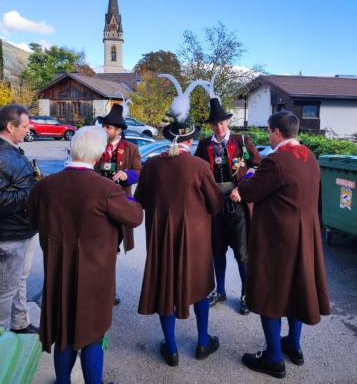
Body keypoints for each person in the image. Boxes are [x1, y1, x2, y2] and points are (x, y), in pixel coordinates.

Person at [29, 126, 143, 384]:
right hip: (94, 277)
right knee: (93, 335)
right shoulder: (106, 189)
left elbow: (34, 221)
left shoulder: (44, 186)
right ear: (100, 153)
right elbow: (135, 217)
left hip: (57, 272)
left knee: (63, 333)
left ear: (73, 149)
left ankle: (63, 382)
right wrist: (134, 201)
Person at [230, 110, 330, 379]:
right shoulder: (310, 158)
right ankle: (294, 346)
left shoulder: (276, 161)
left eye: (268, 131)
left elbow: (249, 191)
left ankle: (274, 358)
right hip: (304, 238)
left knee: (270, 294)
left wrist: (246, 171)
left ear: (276, 132)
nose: (267, 135)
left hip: (278, 241)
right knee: (297, 290)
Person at [135, 76, 223, 367]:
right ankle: (202, 342)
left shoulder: (152, 166)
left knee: (165, 288)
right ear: (189, 138)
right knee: (198, 286)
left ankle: (171, 348)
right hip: (195, 239)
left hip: (161, 236)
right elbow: (215, 204)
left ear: (167, 136)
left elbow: (143, 201)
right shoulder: (199, 167)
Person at [195, 96, 261, 314]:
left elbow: (257, 167)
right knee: (217, 251)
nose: (219, 127)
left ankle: (246, 294)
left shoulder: (242, 141)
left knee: (242, 253)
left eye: (222, 123)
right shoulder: (204, 145)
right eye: (215, 124)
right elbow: (197, 171)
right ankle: (220, 290)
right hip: (214, 206)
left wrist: (242, 189)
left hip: (238, 205)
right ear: (211, 126)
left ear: (228, 123)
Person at [95, 103, 142, 305]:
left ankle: (108, 292)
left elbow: (140, 172)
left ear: (118, 129)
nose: (105, 130)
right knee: (101, 251)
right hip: (96, 206)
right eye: (104, 126)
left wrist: (127, 174)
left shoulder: (130, 148)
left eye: (108, 127)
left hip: (118, 207)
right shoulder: (97, 145)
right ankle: (102, 290)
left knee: (111, 251)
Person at [0, 103, 38, 334]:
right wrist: (32, 193)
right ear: (9, 126)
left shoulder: (12, 149)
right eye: (24, 126)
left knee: (20, 280)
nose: (28, 130)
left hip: (23, 231)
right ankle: (2, 337)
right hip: (10, 235)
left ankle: (20, 322)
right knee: (5, 289)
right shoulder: (2, 155)